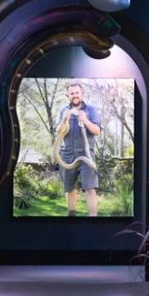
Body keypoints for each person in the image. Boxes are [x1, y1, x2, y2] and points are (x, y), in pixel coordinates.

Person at [55, 82, 101, 216]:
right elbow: (59, 131)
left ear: (82, 94)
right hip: (67, 155)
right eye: (72, 93)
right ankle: (72, 216)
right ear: (68, 95)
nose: (75, 95)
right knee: (70, 189)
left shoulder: (91, 110)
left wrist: (85, 121)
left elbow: (97, 131)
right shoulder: (63, 110)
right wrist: (64, 120)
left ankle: (93, 220)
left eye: (77, 93)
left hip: (86, 155)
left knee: (90, 188)